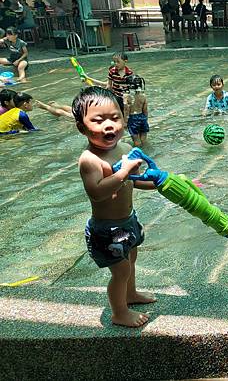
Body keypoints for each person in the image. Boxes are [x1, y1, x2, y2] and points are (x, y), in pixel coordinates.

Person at [73, 86, 156, 327]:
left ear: (124, 117)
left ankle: (130, 294)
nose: (108, 125)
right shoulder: (90, 160)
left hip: (128, 220)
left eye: (114, 117)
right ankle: (119, 312)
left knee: (131, 259)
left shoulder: (126, 149)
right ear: (82, 128)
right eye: (98, 121)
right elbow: (97, 193)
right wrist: (124, 172)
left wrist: (160, 183)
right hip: (107, 228)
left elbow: (135, 181)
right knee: (119, 271)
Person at [123, 75, 149, 147]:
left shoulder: (127, 96)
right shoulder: (143, 96)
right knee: (143, 138)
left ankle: (137, 153)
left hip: (132, 119)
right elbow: (145, 110)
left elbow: (126, 110)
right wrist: (145, 120)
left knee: (136, 140)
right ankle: (145, 152)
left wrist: (125, 122)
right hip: (142, 117)